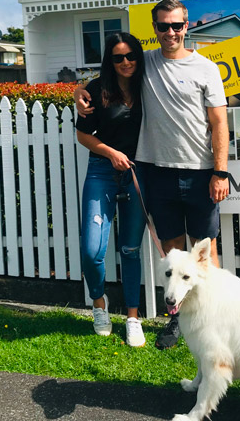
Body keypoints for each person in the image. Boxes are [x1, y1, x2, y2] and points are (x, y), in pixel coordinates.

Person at [76, 0, 229, 350]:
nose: (170, 32)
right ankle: (177, 322)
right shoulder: (144, 63)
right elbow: (111, 73)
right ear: (155, 29)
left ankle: (214, 322)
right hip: (157, 173)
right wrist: (78, 90)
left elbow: (220, 122)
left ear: (186, 26)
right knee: (174, 253)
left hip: (201, 172)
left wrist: (220, 172)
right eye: (163, 26)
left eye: (176, 25)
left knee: (206, 252)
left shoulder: (206, 68)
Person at [75, 32, 148, 348]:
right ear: (110, 60)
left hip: (138, 171)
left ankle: (132, 317)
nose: (126, 62)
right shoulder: (96, 90)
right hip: (102, 170)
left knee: (130, 249)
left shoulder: (148, 84)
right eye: (118, 58)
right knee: (92, 250)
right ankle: (99, 303)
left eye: (130, 55)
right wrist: (111, 153)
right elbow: (83, 135)